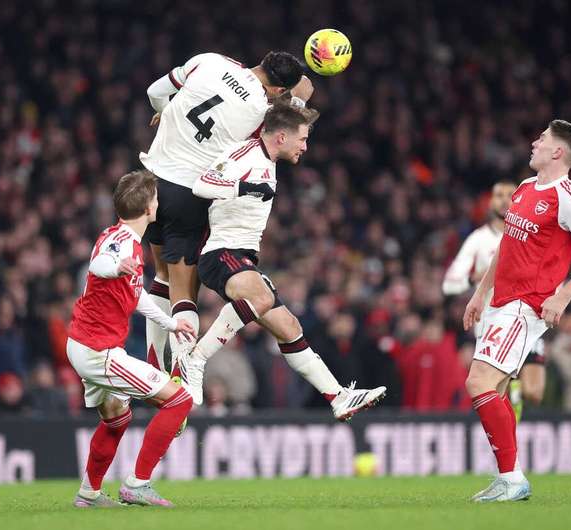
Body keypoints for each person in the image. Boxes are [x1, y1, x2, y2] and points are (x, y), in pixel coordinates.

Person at [178, 104, 386, 421]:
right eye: (302, 139)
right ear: (281, 136)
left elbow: (289, 107)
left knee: (290, 328)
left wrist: (301, 96)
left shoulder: (269, 154)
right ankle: (197, 357)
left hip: (243, 257)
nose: (305, 146)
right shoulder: (245, 155)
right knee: (260, 298)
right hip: (221, 253)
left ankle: (338, 396)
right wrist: (245, 186)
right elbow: (202, 185)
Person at [462, 120, 571, 502]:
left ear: (558, 152)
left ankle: (513, 478)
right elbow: (507, 247)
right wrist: (480, 293)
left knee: (478, 382)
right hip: (500, 302)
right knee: (494, 389)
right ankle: (507, 477)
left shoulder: (568, 197)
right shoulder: (527, 188)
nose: (535, 142)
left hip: (525, 305)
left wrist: (563, 296)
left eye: (542, 139)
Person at [140, 51, 313, 376]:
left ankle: (153, 360)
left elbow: (154, 92)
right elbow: (284, 136)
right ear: (278, 91)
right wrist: (300, 103)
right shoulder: (260, 112)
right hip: (186, 193)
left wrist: (164, 112)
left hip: (151, 180)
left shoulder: (209, 61)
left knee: (162, 275)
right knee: (184, 290)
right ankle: (180, 373)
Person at [66, 170, 197, 508]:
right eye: (155, 198)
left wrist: (170, 324)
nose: (158, 203)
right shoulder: (121, 245)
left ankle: (88, 495)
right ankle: (138, 484)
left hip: (84, 344)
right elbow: (99, 264)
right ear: (149, 208)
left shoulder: (117, 235)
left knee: (116, 419)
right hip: (99, 351)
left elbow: (135, 296)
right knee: (179, 400)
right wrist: (116, 266)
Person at [443, 181, 547, 420]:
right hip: (494, 322)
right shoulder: (477, 240)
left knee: (535, 391)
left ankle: (516, 386)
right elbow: (450, 282)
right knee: (495, 393)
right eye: (498, 195)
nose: (504, 200)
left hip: (528, 317)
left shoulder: (531, 234)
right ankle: (510, 446)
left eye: (510, 195)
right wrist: (474, 277)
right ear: (490, 202)